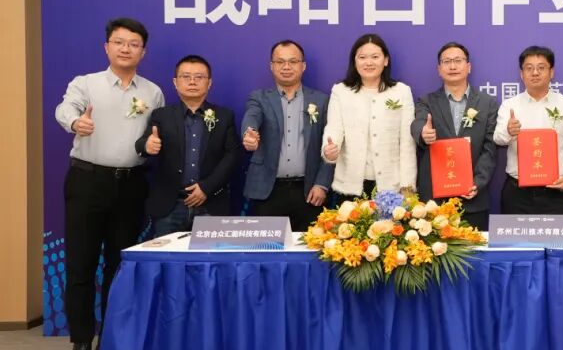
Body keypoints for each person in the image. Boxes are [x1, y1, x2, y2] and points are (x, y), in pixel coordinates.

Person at [54, 18, 164, 350]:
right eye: (119, 42)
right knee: (81, 263)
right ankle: (81, 341)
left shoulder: (153, 93)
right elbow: (64, 109)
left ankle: (114, 336)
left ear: (143, 52)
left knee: (121, 265)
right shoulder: (85, 84)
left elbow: (154, 134)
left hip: (131, 184)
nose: (125, 48)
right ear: (107, 47)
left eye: (133, 44)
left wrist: (152, 145)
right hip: (88, 181)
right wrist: (76, 123)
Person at [136, 55, 241, 236]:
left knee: (210, 255)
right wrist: (147, 145)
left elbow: (232, 155)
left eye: (199, 77)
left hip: (210, 203)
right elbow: (141, 144)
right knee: (168, 254)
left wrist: (206, 187)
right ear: (175, 82)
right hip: (170, 205)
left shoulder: (224, 116)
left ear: (209, 83)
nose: (192, 82)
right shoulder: (161, 115)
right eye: (186, 77)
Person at [240, 40, 334, 233]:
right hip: (268, 190)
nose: (286, 67)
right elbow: (251, 117)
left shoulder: (321, 100)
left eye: (293, 61)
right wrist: (249, 134)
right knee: (266, 247)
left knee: (310, 247)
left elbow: (330, 146)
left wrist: (322, 184)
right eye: (280, 62)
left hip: (309, 191)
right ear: (271, 66)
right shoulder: (259, 97)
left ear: (303, 65)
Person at [411, 42, 498, 229]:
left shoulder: (487, 103)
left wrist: (477, 182)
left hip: (473, 199)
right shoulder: (426, 101)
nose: (452, 66)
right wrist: (423, 133)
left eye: (458, 61)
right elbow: (418, 123)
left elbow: (489, 148)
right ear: (439, 69)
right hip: (435, 201)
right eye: (447, 61)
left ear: (468, 67)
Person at [494, 46, 563, 214]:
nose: (535, 73)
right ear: (521, 74)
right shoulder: (510, 105)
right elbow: (498, 139)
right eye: (529, 68)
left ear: (552, 72)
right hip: (517, 193)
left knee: (558, 233)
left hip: (556, 191)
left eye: (541, 67)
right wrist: (509, 131)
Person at [321, 33, 416, 198]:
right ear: (355, 61)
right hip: (349, 186)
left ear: (386, 60)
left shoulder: (401, 91)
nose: (369, 62)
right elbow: (334, 128)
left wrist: (407, 188)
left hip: (391, 187)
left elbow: (407, 143)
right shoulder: (341, 91)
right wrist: (329, 150)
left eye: (375, 57)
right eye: (362, 57)